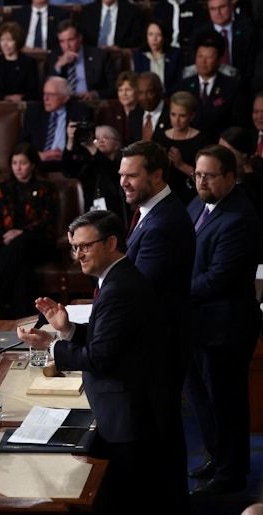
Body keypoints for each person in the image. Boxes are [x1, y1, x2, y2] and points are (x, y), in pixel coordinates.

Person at [17, 210, 166, 515]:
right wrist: (68, 329)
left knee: (129, 500)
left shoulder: (119, 288)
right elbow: (109, 339)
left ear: (111, 242)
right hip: (124, 409)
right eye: (74, 247)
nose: (78, 255)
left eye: (85, 246)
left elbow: (99, 358)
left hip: (126, 415)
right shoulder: (115, 279)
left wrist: (51, 346)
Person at [119, 140, 195, 511]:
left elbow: (139, 290)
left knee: (161, 436)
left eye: (132, 175)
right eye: (121, 174)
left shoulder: (164, 222)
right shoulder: (153, 212)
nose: (124, 182)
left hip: (158, 348)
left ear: (157, 175)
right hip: (155, 344)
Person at [186, 145, 262, 496]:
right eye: (197, 174)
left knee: (226, 404)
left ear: (231, 177)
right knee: (204, 401)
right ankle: (217, 458)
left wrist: (173, 291)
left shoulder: (239, 218)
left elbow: (218, 279)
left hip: (225, 329)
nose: (201, 181)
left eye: (210, 176)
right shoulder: (198, 203)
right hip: (198, 325)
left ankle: (231, 474)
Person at [0, 143, 57, 319]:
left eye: (23, 163)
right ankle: (23, 316)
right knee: (21, 266)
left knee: (21, 243)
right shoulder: (2, 189)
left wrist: (22, 233)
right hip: (9, 245)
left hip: (38, 243)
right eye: (14, 163)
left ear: (32, 165)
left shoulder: (45, 188)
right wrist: (6, 235)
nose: (18, 167)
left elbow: (48, 220)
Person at [172, 31, 242, 143]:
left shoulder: (231, 87)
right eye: (200, 56)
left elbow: (236, 122)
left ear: (219, 60)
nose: (203, 61)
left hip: (219, 143)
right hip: (188, 142)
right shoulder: (183, 86)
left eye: (209, 57)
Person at [20, 76, 93, 164]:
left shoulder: (80, 112)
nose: (45, 98)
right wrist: (39, 155)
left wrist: (67, 155)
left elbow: (86, 145)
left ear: (65, 98)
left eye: (51, 95)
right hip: (38, 163)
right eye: (44, 93)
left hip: (67, 164)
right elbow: (23, 144)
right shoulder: (34, 111)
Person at [153, 91, 207, 204]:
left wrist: (181, 165)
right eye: (173, 114)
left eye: (182, 116)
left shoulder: (201, 140)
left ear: (191, 116)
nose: (176, 120)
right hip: (164, 196)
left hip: (192, 198)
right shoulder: (159, 137)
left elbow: (206, 177)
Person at [46, 20, 117, 100]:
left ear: (80, 38)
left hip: (91, 102)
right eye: (62, 41)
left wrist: (95, 94)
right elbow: (48, 88)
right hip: (64, 102)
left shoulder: (99, 56)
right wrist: (58, 66)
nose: (66, 46)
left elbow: (114, 87)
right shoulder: (54, 56)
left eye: (70, 40)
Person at [0, 21, 40, 102]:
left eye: (9, 40)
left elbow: (34, 93)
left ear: (17, 41)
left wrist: (22, 98)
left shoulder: (29, 63)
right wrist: (5, 98)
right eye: (2, 40)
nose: (5, 44)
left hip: (21, 106)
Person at [132, 20, 184, 94]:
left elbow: (179, 82)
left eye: (158, 35)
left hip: (170, 96)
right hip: (146, 97)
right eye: (150, 34)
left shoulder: (175, 55)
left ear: (164, 37)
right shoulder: (139, 56)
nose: (154, 39)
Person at [77, 0, 143, 49]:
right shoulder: (87, 11)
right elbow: (81, 38)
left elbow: (136, 40)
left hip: (119, 54)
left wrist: (119, 49)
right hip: (92, 55)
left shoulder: (132, 11)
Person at [128, 72, 170, 144]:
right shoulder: (134, 115)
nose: (144, 97)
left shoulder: (172, 114)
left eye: (150, 92)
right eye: (140, 93)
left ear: (160, 91)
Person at [100, 71, 139, 144]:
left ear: (137, 91)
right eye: (120, 90)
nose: (124, 94)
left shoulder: (143, 111)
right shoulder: (111, 111)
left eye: (128, 90)